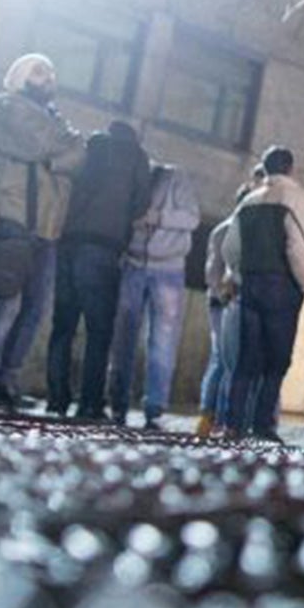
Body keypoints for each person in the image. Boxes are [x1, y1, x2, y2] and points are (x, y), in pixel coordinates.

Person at [0, 54, 84, 413]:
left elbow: (81, 154)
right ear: (18, 76)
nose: (47, 77)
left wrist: (57, 153)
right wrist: (60, 151)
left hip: (47, 228)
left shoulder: (53, 119)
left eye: (51, 71)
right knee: (5, 303)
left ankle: (6, 380)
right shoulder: (10, 107)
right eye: (38, 70)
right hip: (12, 217)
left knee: (35, 308)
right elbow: (42, 145)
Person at [45, 118, 151, 420]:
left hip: (68, 242)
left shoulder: (89, 148)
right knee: (98, 330)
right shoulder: (135, 156)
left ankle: (57, 399)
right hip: (103, 247)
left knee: (63, 326)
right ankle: (89, 402)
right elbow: (141, 203)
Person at [218, 146, 304, 440]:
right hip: (281, 287)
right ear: (290, 168)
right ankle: (263, 426)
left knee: (245, 359)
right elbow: (297, 245)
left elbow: (230, 248)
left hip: (250, 284)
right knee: (276, 361)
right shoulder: (294, 197)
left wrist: (238, 274)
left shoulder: (247, 201)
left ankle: (233, 423)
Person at [107, 159, 201, 427]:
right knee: (123, 337)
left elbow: (192, 218)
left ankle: (154, 405)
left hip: (169, 270)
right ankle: (117, 402)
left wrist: (158, 217)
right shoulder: (131, 180)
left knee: (163, 340)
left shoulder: (175, 178)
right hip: (133, 265)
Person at [196, 170, 259, 437]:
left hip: (220, 300)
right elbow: (215, 271)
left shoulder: (221, 229)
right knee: (226, 360)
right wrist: (226, 294)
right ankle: (216, 416)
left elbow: (211, 270)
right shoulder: (233, 230)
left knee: (222, 359)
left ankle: (209, 417)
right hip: (226, 301)